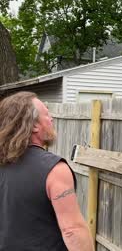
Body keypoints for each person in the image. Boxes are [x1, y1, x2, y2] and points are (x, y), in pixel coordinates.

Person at [0, 92, 94, 251]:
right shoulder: (55, 170)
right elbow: (72, 230)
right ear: (35, 125)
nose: (52, 119)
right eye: (47, 114)